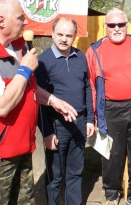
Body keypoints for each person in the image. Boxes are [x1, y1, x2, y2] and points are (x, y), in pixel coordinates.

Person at [0, 0, 77, 205]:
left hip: (22, 148)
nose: (25, 22)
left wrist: (52, 101)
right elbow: (1, 106)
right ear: (1, 21)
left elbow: (28, 88)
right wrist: (24, 69)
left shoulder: (18, 47)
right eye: (20, 17)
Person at [86, 8, 131, 205]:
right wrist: (93, 115)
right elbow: (90, 85)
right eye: (112, 25)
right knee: (111, 154)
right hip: (109, 108)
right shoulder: (95, 50)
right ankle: (112, 194)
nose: (117, 28)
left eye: (121, 24)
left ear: (127, 25)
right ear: (105, 27)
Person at [35, 17, 95, 205]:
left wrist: (90, 119)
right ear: (52, 33)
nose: (64, 39)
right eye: (60, 34)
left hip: (79, 122)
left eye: (69, 35)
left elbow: (87, 88)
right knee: (54, 175)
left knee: (75, 172)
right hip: (56, 124)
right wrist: (47, 132)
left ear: (75, 36)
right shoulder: (42, 61)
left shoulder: (81, 56)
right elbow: (38, 100)